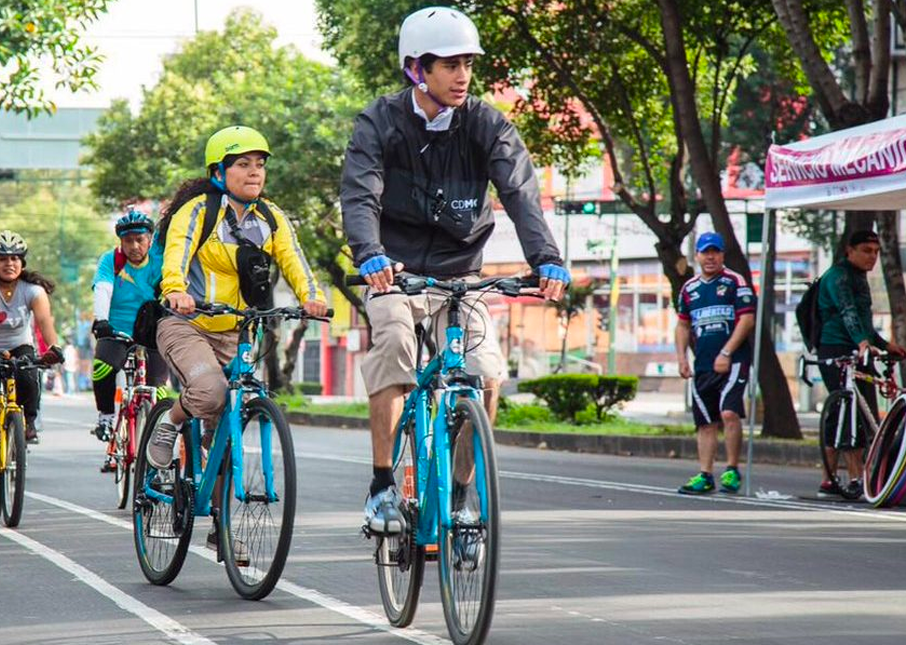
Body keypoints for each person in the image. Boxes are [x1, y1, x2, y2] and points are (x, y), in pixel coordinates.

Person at [340, 6, 570, 533]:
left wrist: (547, 259)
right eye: (448, 64)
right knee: (395, 339)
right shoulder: (379, 121)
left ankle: (463, 492)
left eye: (467, 62)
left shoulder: (488, 125)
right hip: (392, 271)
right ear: (416, 69)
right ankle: (381, 489)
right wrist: (368, 252)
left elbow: (521, 195)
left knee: (486, 375)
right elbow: (360, 194)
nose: (462, 74)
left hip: (460, 275)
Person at [146, 125, 328, 557]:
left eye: (260, 165)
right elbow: (177, 253)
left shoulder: (271, 218)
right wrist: (176, 288)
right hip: (185, 324)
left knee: (225, 428)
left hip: (237, 330)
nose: (254, 173)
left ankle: (222, 526)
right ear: (218, 171)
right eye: (243, 165)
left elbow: (294, 260)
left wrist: (313, 297)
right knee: (209, 392)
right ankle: (170, 422)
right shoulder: (197, 212)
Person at [0, 231, 63, 497]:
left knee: (29, 375)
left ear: (23, 262)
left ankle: (27, 421)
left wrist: (53, 349)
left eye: (15, 258)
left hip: (19, 346)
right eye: (3, 258)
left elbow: (45, 321)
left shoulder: (33, 290)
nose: (10, 264)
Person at [815, 229, 906, 499]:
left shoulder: (859, 277)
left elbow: (864, 321)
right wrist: (863, 344)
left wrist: (882, 344)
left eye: (877, 252)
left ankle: (859, 476)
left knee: (864, 411)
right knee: (845, 413)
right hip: (836, 350)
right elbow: (848, 312)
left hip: (858, 347)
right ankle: (844, 478)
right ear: (849, 250)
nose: (873, 257)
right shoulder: (839, 276)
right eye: (867, 251)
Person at [674, 232, 756, 495]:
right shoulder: (689, 289)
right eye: (705, 252)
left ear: (722, 255)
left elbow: (747, 320)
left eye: (715, 252)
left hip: (733, 362)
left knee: (729, 413)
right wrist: (682, 358)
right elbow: (683, 325)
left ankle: (732, 469)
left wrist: (727, 352)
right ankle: (705, 474)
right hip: (704, 365)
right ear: (696, 256)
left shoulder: (735, 282)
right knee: (706, 422)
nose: (710, 257)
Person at [90, 209, 170, 471]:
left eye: (140, 239)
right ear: (121, 242)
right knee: (103, 366)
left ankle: (158, 437)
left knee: (158, 388)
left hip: (152, 329)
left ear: (150, 239)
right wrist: (101, 320)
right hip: (117, 328)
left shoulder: (161, 255)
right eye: (128, 241)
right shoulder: (110, 260)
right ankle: (105, 416)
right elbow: (103, 289)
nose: (134, 246)